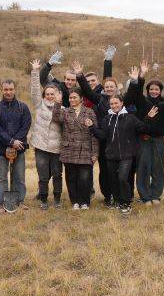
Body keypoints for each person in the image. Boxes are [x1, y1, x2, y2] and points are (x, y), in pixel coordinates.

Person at [124, 60, 164, 205]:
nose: (154, 91)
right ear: (147, 90)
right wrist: (141, 76)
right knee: (143, 168)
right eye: (151, 89)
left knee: (158, 168)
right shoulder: (142, 101)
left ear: (160, 90)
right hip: (143, 139)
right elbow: (134, 94)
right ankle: (145, 196)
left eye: (157, 89)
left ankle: (156, 195)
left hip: (158, 140)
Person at [89, 95, 157, 214]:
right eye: (112, 104)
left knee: (122, 178)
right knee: (113, 179)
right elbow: (102, 135)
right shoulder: (107, 119)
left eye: (116, 103)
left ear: (121, 103)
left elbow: (144, 128)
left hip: (126, 155)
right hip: (111, 155)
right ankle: (117, 201)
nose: (114, 106)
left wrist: (149, 118)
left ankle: (126, 202)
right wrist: (91, 127)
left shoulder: (130, 118)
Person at [75, 52, 117, 205]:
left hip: (116, 139)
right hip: (100, 137)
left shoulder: (116, 98)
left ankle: (118, 195)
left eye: (112, 87)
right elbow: (86, 90)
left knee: (116, 169)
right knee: (104, 169)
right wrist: (79, 75)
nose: (109, 88)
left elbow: (108, 81)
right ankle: (107, 196)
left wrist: (108, 61)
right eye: (89, 81)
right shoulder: (97, 98)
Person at [52, 88, 99, 209]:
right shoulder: (65, 111)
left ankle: (85, 202)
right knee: (71, 177)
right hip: (69, 150)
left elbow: (94, 134)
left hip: (85, 150)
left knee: (85, 178)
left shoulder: (89, 112)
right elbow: (56, 118)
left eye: (75, 97)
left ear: (81, 99)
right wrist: (57, 103)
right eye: (70, 97)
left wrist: (95, 153)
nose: (72, 99)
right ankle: (75, 202)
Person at [0, 79, 32, 213]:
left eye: (11, 89)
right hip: (1, 149)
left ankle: (19, 202)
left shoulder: (23, 107)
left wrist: (16, 142)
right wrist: (10, 141)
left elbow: (26, 126)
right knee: (1, 177)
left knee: (19, 176)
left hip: (19, 149)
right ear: (2, 90)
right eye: (6, 89)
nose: (8, 92)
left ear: (15, 90)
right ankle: (0, 205)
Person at [29, 60, 64, 209]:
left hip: (57, 148)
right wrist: (35, 72)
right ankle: (43, 200)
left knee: (57, 175)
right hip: (41, 147)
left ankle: (57, 200)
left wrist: (58, 104)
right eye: (47, 94)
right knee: (43, 176)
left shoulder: (63, 108)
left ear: (58, 95)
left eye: (53, 94)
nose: (50, 96)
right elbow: (35, 90)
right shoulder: (39, 105)